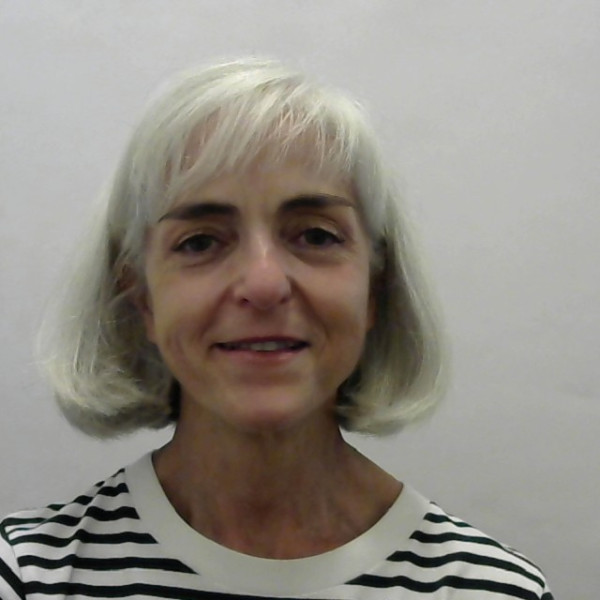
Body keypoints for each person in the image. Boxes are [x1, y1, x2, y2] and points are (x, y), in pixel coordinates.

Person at [0, 58, 553, 599]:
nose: (264, 284)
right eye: (200, 241)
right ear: (142, 298)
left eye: (315, 236)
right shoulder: (26, 573)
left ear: (375, 290)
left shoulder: (489, 589)